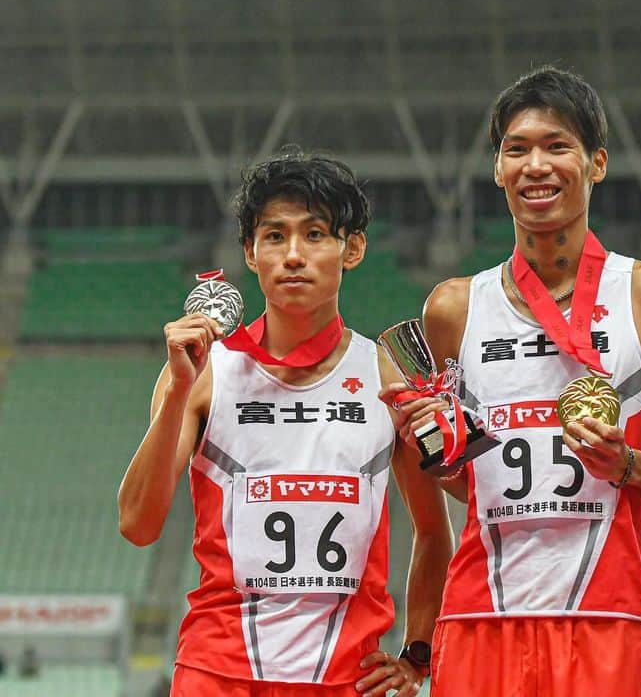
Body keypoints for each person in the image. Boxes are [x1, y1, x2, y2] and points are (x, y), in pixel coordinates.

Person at [384, 65, 641, 697]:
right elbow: (463, 482)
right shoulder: (453, 308)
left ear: (597, 163)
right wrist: (438, 455)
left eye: (557, 145)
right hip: (479, 618)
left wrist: (630, 465)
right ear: (498, 171)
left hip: (608, 618)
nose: (537, 165)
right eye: (517, 149)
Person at [118, 150, 454, 696]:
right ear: (250, 253)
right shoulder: (204, 375)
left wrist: (418, 652)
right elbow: (137, 524)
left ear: (353, 248)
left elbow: (435, 531)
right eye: (274, 237)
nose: (294, 255)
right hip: (219, 675)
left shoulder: (388, 373)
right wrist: (178, 391)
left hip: (348, 678)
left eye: (316, 233)